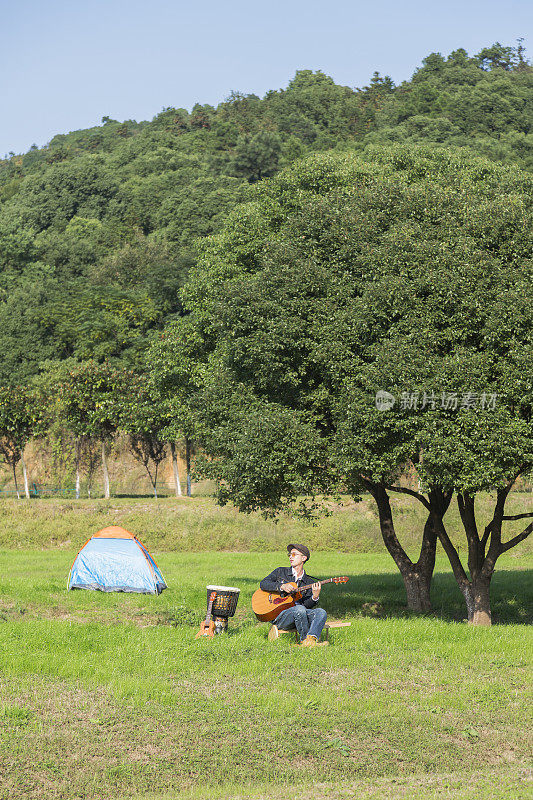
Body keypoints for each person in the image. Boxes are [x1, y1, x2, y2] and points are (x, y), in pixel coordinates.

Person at [259, 543, 328, 647]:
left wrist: (314, 597)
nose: (291, 557)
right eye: (290, 555)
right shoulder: (280, 572)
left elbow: (306, 606)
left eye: (294, 554)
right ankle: (304, 640)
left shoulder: (308, 582)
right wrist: (281, 586)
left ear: (303, 558)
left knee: (321, 612)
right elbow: (263, 583)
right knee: (299, 609)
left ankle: (311, 640)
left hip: (299, 615)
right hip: (280, 616)